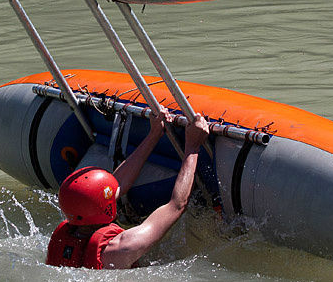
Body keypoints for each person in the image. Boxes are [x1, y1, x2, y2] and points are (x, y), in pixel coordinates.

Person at [46, 110, 210, 269]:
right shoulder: (122, 247)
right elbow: (177, 205)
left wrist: (153, 135)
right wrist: (192, 147)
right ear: (106, 207)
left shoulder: (65, 236)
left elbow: (117, 184)